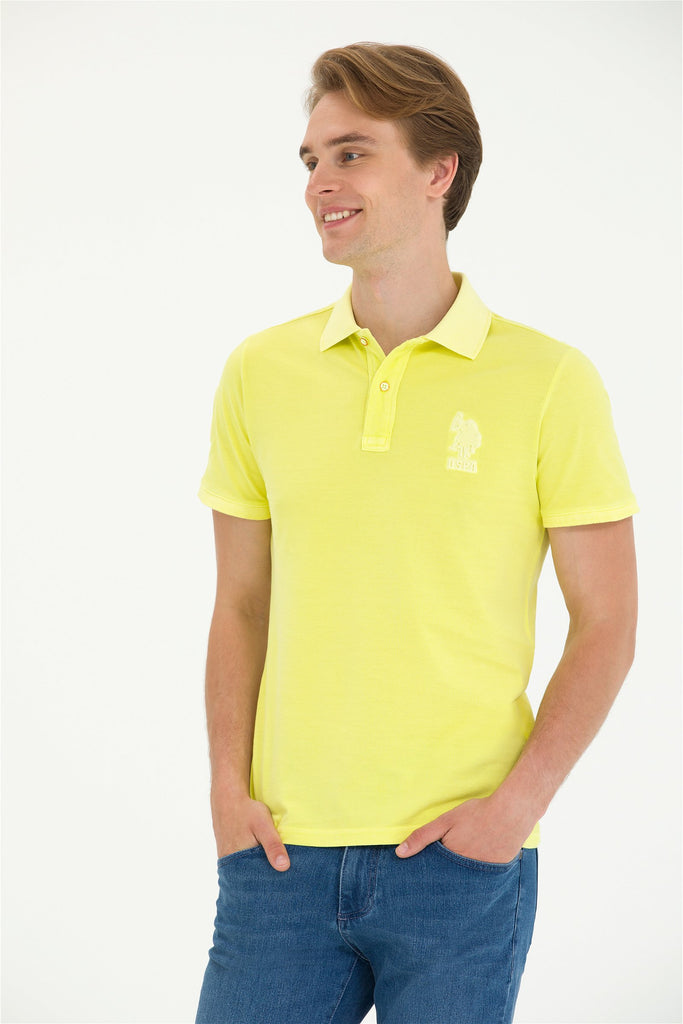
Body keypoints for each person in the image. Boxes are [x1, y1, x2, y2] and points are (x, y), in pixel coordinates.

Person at [193, 41, 639, 1024]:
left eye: (350, 154)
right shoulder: (259, 372)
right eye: (310, 159)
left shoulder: (549, 381)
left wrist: (511, 814)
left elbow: (606, 620)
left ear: (440, 171)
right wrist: (227, 790)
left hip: (458, 860)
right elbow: (240, 603)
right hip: (278, 856)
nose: (318, 182)